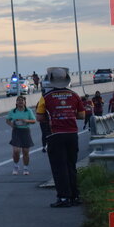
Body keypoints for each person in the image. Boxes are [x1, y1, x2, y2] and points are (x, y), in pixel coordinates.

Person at [36, 67, 85, 207]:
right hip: (72, 135)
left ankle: (64, 198)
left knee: (59, 167)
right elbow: (82, 115)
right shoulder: (74, 95)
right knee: (71, 165)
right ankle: (75, 196)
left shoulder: (46, 97)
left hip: (55, 135)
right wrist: (68, 114)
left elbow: (39, 117)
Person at [6, 95, 36, 175]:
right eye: (18, 100)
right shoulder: (13, 111)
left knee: (25, 151)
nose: (20, 102)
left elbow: (34, 121)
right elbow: (7, 120)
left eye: (22, 100)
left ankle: (26, 168)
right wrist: (12, 124)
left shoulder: (28, 111)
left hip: (25, 131)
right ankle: (16, 166)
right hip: (16, 131)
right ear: (16, 102)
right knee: (16, 151)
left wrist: (26, 121)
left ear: (25, 102)